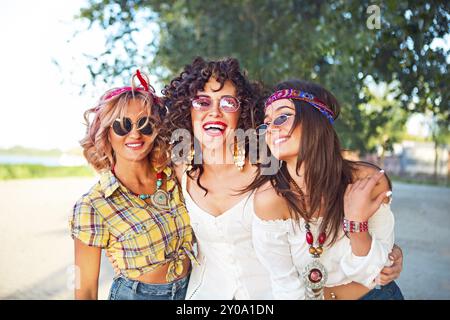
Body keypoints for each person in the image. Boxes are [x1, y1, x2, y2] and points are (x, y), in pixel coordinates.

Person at [161, 57, 404, 299]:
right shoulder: (179, 167)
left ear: (242, 112)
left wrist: (385, 250)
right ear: (187, 109)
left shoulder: (270, 162)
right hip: (206, 294)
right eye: (202, 102)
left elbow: (321, 175)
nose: (214, 112)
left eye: (228, 103)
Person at [249, 79, 404, 299]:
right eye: (267, 123)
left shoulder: (367, 181)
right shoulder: (270, 200)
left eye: (282, 117)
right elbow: (286, 286)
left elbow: (378, 273)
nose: (272, 129)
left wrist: (356, 225)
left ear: (316, 121)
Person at [69, 70, 196, 300]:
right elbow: (85, 290)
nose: (135, 134)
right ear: (106, 133)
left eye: (145, 124)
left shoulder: (174, 177)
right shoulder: (92, 205)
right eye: (122, 125)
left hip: (193, 291)